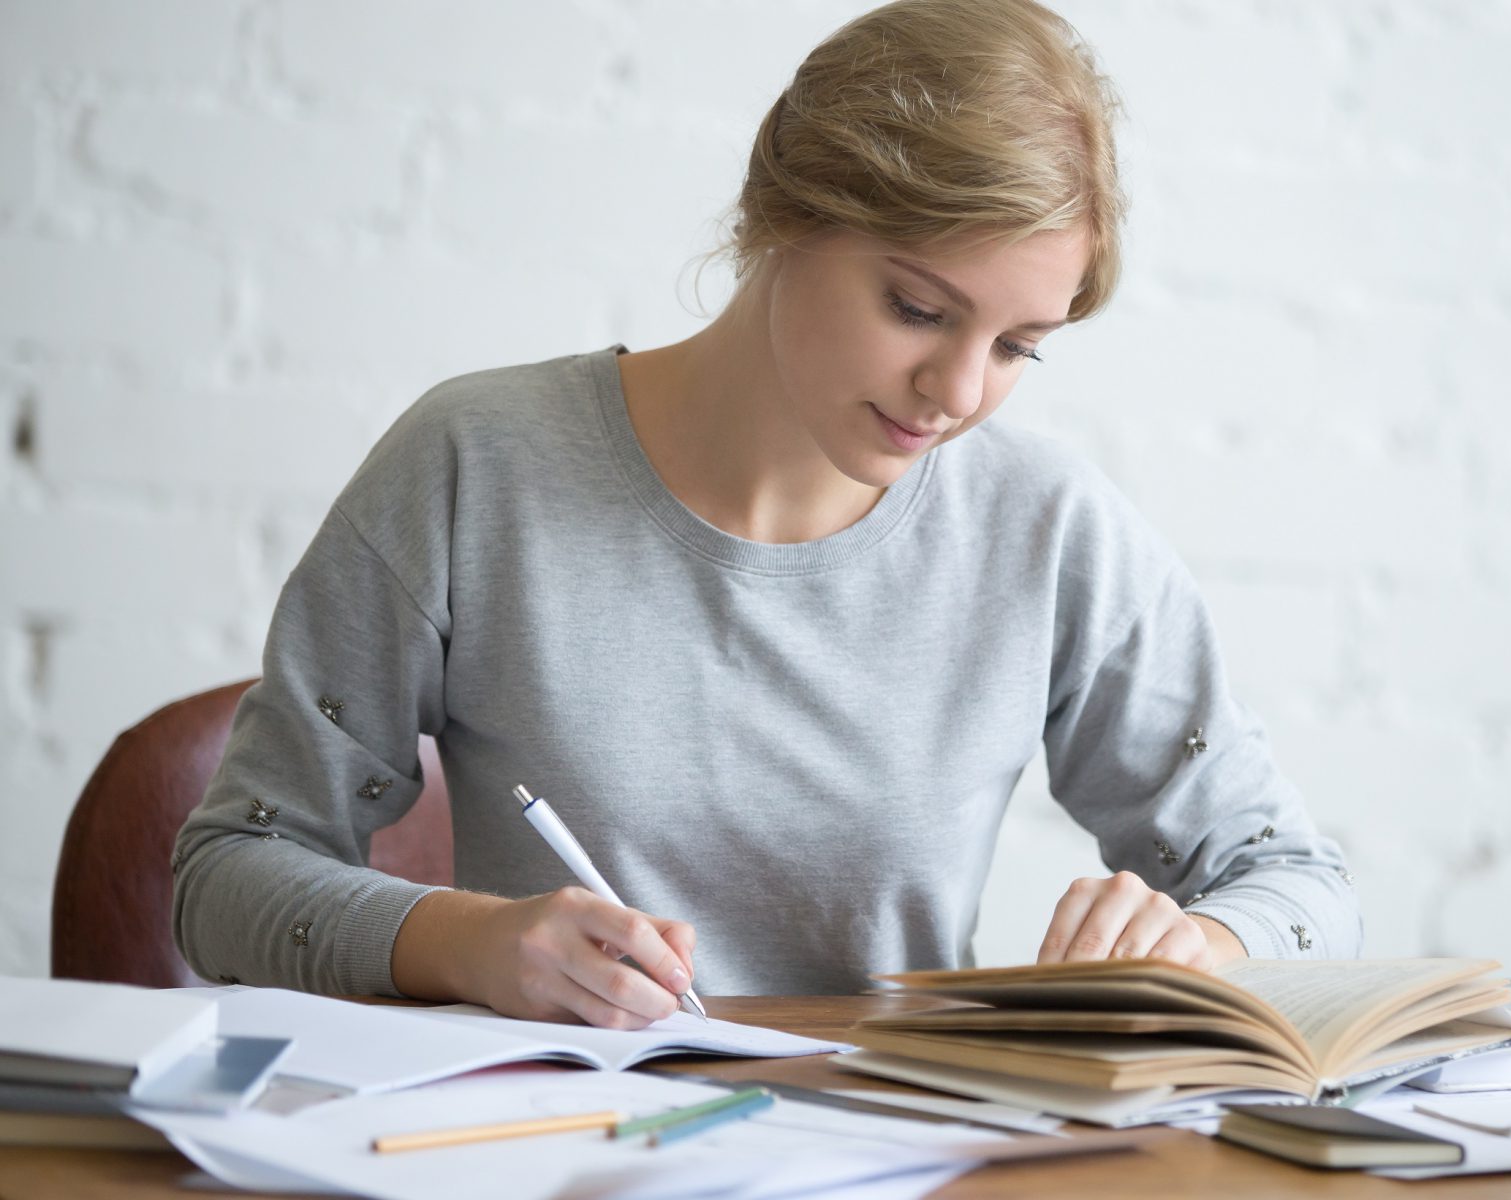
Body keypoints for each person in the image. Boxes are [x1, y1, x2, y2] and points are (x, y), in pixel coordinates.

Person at [171, 0, 1360, 1030]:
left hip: (902, 1158)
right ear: (785, 215)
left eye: (1016, 348)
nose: (955, 394)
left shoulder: (1046, 533)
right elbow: (227, 874)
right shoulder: (477, 465)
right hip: (557, 1152)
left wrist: (1199, 950)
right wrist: (467, 944)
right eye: (914, 307)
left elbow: (1298, 884)